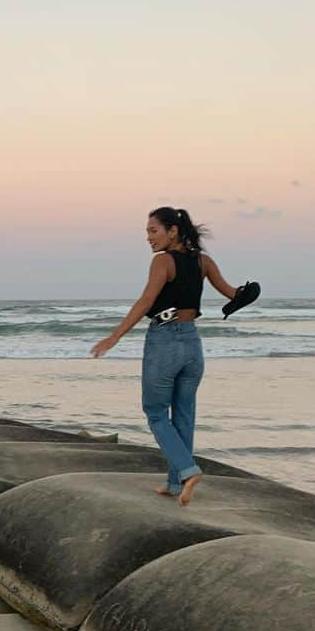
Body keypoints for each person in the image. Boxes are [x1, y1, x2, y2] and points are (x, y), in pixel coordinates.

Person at [89, 206, 239, 506]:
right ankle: (175, 483)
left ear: (173, 231)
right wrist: (251, 292)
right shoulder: (204, 262)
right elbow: (233, 295)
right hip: (192, 343)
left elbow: (146, 301)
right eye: (147, 232)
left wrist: (114, 336)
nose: (148, 238)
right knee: (183, 415)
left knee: (156, 413)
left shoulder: (163, 261)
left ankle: (188, 471)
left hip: (165, 341)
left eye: (153, 231)